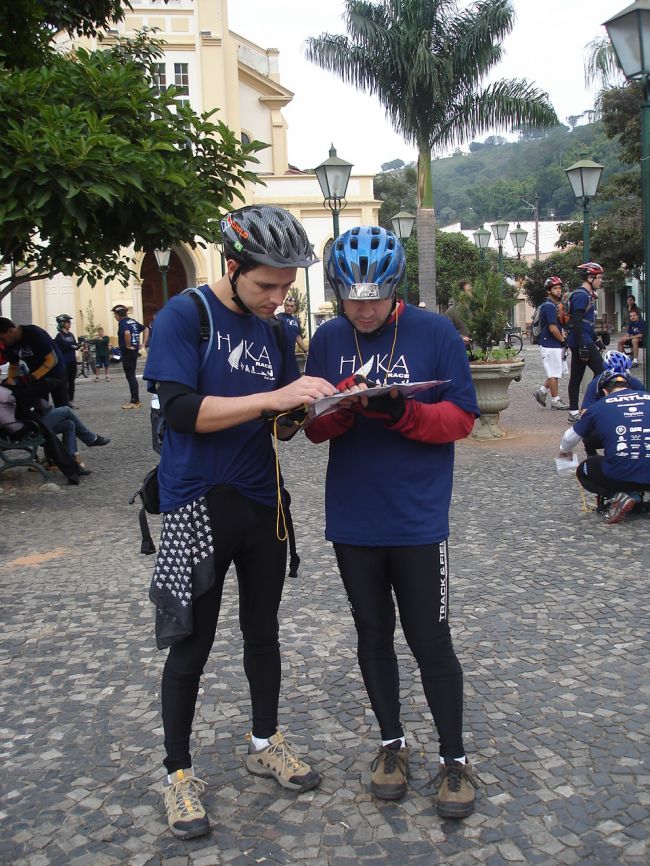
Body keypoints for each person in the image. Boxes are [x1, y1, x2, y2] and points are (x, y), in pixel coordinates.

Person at [142, 205, 336, 840]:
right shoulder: (185, 316)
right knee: (190, 644)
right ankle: (177, 774)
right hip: (194, 505)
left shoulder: (276, 332)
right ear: (233, 267)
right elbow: (180, 412)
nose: (278, 299)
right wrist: (270, 398)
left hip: (262, 504)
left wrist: (311, 404)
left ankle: (265, 742)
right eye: (266, 286)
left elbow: (277, 422)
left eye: (286, 287)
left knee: (263, 632)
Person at [304, 226, 481, 819]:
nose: (366, 309)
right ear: (336, 293)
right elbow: (312, 428)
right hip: (353, 518)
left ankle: (454, 759)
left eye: (376, 297)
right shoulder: (328, 338)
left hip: (417, 518)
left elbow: (460, 419)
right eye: (353, 299)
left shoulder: (434, 333)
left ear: (396, 287)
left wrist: (402, 411)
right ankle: (391, 743)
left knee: (430, 638)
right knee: (371, 634)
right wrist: (345, 411)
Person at [559, 370, 650, 523]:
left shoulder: (599, 406)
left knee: (584, 470)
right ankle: (634, 496)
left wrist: (564, 451)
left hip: (621, 475)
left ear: (605, 391)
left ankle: (623, 496)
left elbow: (569, 437)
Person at [566, 262, 605, 423]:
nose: (601, 281)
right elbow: (576, 322)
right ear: (590, 278)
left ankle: (574, 412)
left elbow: (586, 323)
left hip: (582, 340)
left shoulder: (586, 295)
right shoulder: (581, 295)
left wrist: (596, 339)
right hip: (580, 341)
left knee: (576, 376)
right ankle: (591, 407)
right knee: (602, 371)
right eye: (600, 277)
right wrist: (583, 345)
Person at [0, 317, 68, 408]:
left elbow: (52, 359)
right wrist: (10, 380)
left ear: (10, 331)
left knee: (62, 406)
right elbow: (13, 364)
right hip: (36, 375)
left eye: (2, 339)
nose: (2, 342)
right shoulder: (9, 344)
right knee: (40, 408)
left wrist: (33, 376)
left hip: (56, 372)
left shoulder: (33, 333)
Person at [533, 276, 569, 410]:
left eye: (559, 288)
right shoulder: (549, 307)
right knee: (554, 373)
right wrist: (563, 341)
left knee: (554, 371)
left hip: (552, 343)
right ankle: (555, 400)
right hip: (550, 344)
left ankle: (541, 392)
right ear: (548, 291)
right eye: (555, 288)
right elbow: (553, 328)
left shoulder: (552, 305)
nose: (558, 290)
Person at [111, 305, 144, 409]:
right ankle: (135, 399)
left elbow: (126, 333)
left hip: (128, 353)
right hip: (134, 352)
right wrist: (143, 344)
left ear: (119, 314)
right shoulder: (132, 321)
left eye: (115, 314)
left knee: (130, 376)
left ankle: (135, 401)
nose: (114, 316)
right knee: (132, 376)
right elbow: (145, 328)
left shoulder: (123, 322)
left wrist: (128, 345)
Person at [53, 314, 79, 405]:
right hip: (65, 362)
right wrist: (72, 346)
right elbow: (62, 347)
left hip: (72, 361)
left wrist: (77, 345)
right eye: (67, 322)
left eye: (69, 321)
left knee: (72, 381)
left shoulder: (71, 335)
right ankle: (65, 400)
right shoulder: (59, 336)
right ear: (62, 323)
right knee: (65, 381)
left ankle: (71, 400)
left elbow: (75, 345)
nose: (69, 323)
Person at [444, 280, 472, 348]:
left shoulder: (477, 309)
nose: (472, 292)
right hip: (460, 348)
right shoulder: (451, 312)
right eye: (469, 290)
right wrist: (461, 337)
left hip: (479, 351)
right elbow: (447, 331)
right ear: (461, 293)